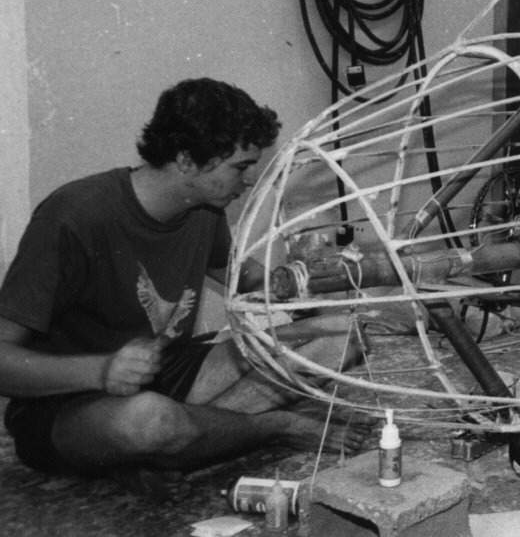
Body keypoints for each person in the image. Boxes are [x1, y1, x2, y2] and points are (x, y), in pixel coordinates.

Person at [0, 78, 370, 498]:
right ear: (187, 161)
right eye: (241, 166)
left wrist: (318, 282)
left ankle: (165, 451)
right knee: (150, 421)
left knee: (342, 336)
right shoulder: (74, 216)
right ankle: (273, 428)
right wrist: (101, 370)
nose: (250, 180)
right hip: (69, 403)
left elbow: (245, 278)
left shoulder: (203, 209)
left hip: (165, 372)